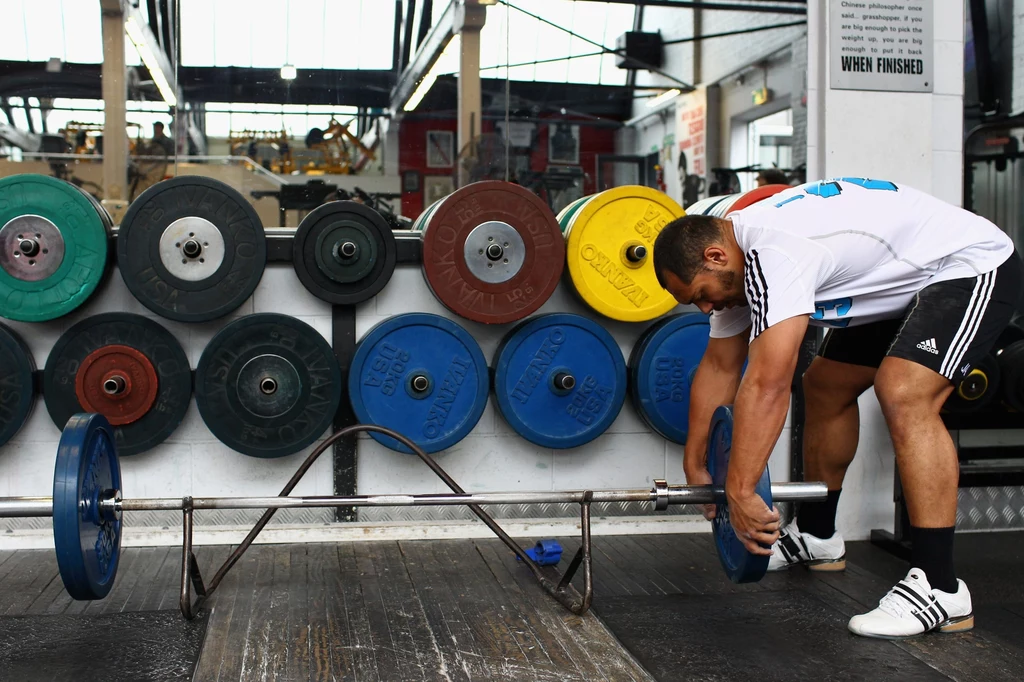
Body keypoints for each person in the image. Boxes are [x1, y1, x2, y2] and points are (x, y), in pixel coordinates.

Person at [652, 177, 1021, 639]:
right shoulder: (735, 264)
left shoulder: (775, 254)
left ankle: (940, 588)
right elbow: (720, 368)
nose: (706, 308)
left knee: (904, 392)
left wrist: (742, 491)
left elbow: (767, 384)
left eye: (701, 295)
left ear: (714, 257)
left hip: (967, 264)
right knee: (825, 386)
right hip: (900, 282)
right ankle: (818, 537)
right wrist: (695, 457)